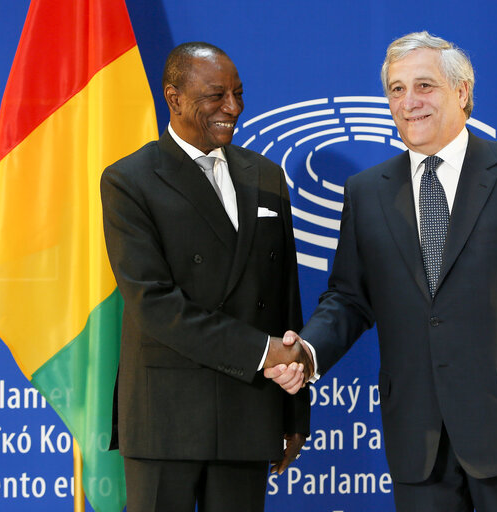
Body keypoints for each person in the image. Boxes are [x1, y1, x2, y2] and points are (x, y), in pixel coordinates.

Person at [265, 32, 497, 511]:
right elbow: (348, 298)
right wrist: (309, 353)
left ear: (462, 92)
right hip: (418, 440)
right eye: (397, 90)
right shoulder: (367, 192)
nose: (409, 102)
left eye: (425, 85)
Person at [100, 42, 312, 512]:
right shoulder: (129, 181)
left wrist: (294, 409)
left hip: (248, 412)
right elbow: (153, 304)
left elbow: (284, 300)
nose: (232, 108)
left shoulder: (266, 175)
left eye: (237, 94)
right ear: (173, 98)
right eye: (216, 96)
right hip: (165, 420)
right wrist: (262, 351)